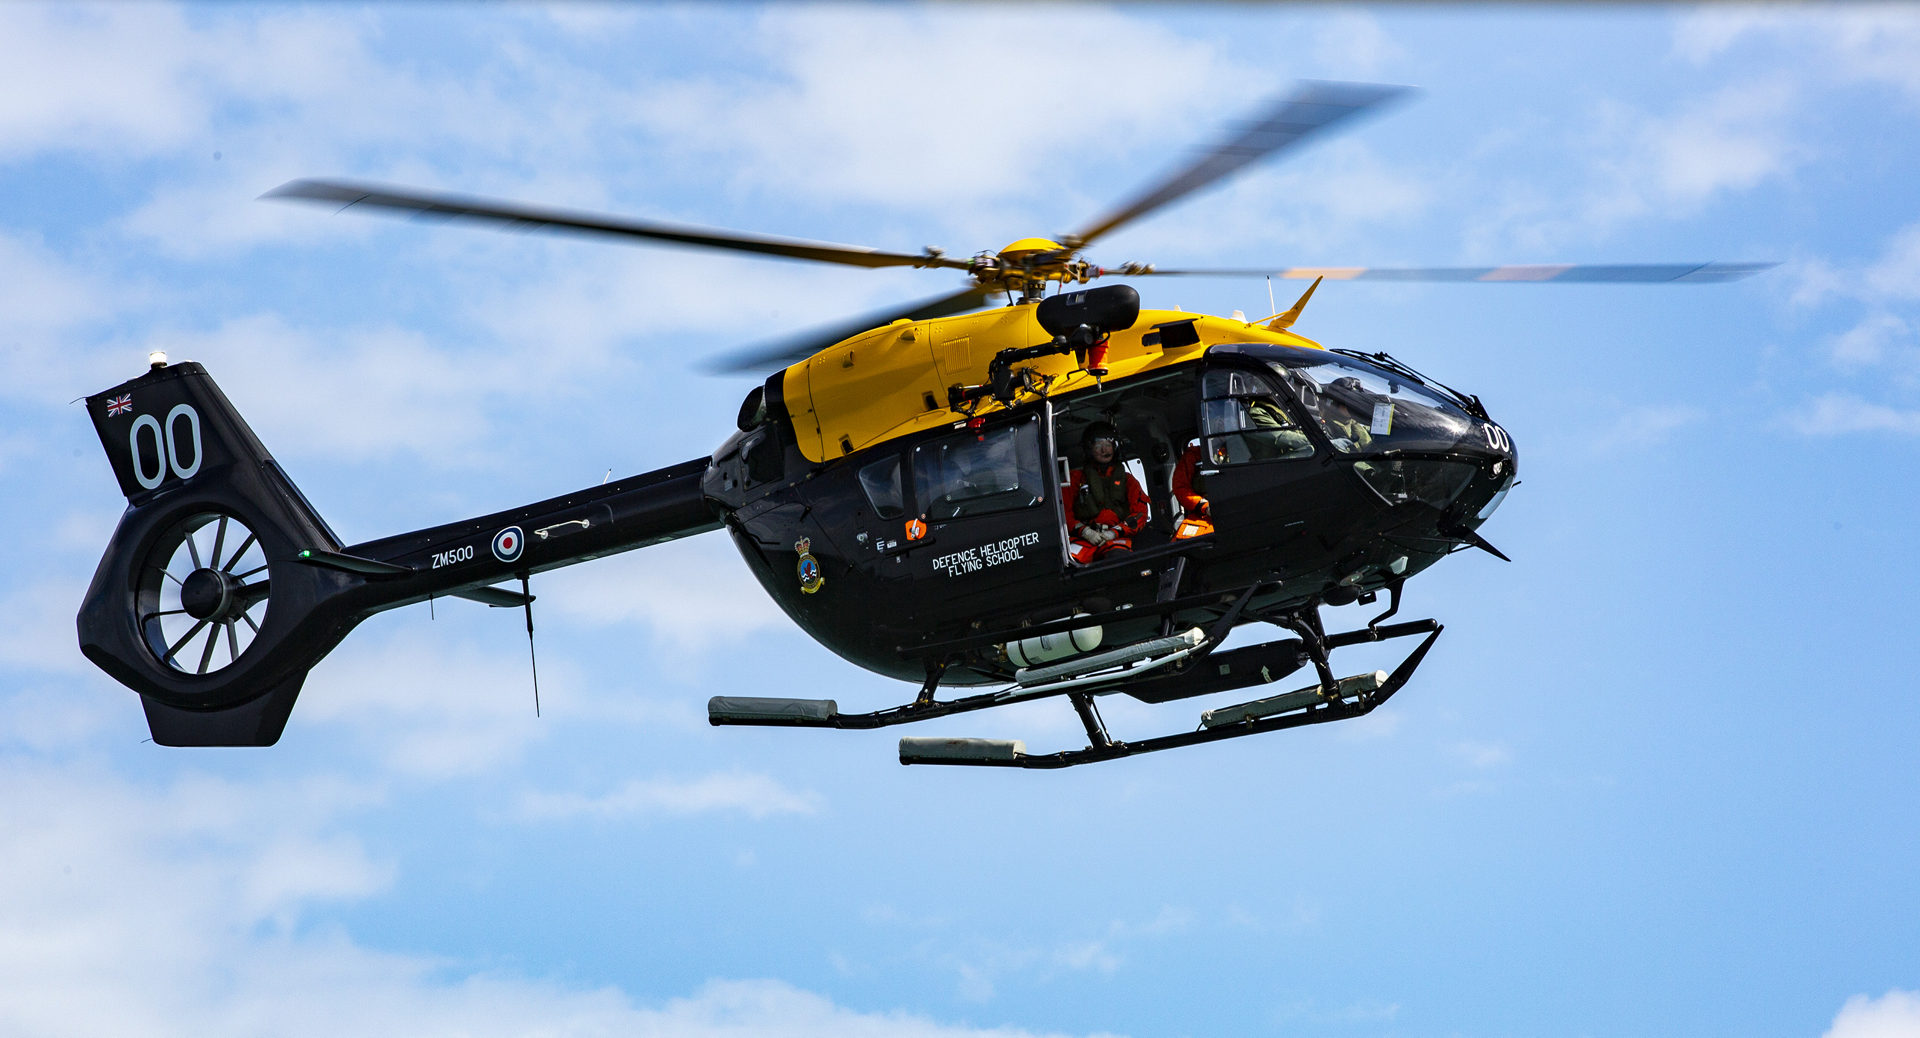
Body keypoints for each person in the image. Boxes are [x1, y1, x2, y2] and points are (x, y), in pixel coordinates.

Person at [1062, 422, 1150, 564]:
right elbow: (1063, 512)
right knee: (1069, 562)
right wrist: (1085, 532)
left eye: (1108, 445)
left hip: (1114, 538)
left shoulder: (1128, 480)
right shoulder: (1075, 479)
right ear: (1089, 449)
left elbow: (1140, 513)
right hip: (1084, 539)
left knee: (1119, 559)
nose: (1104, 450)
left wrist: (1113, 532)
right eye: (1098, 446)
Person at [1170, 439, 1213, 540]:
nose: (1220, 424)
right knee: (1181, 545)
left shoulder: (1244, 450)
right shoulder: (1194, 455)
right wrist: (1204, 506)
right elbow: (1180, 487)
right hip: (1203, 515)